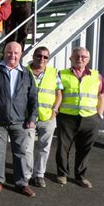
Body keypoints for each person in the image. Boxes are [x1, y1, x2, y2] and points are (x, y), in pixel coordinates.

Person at [0, 42, 37, 197]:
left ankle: (22, 183)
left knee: (20, 152)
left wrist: (32, 117)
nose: (12, 56)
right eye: (9, 52)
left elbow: (33, 97)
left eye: (16, 53)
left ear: (20, 54)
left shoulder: (26, 73)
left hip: (20, 121)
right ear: (4, 52)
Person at [56, 47, 104, 188]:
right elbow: (57, 94)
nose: (80, 59)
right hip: (67, 117)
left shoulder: (97, 76)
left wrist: (100, 115)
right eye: (77, 56)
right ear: (70, 58)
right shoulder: (62, 74)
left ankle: (80, 176)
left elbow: (101, 96)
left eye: (84, 57)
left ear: (88, 59)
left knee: (84, 149)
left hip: (90, 118)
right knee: (63, 148)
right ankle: (62, 174)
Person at [26, 46, 63, 188]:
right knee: (27, 148)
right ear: (33, 56)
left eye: (45, 57)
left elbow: (58, 93)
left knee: (44, 148)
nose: (42, 59)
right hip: (28, 117)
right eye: (39, 56)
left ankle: (39, 175)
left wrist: (55, 110)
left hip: (48, 117)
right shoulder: (24, 71)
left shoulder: (54, 73)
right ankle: (28, 174)